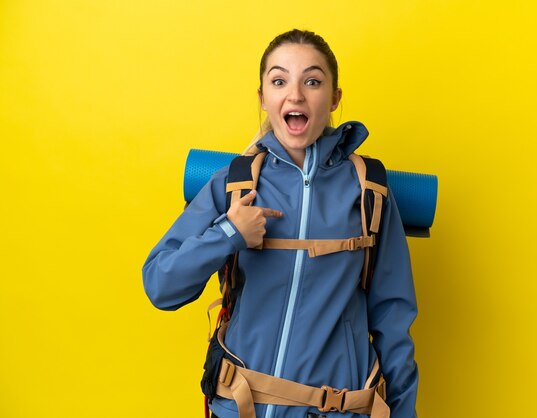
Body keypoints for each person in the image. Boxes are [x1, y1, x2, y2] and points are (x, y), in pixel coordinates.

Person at [142, 29, 418, 418]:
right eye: (278, 80)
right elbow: (160, 286)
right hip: (240, 407)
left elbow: (394, 321)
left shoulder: (369, 190)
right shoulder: (234, 183)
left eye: (312, 81)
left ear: (335, 97)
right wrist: (229, 234)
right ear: (263, 98)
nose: (295, 95)